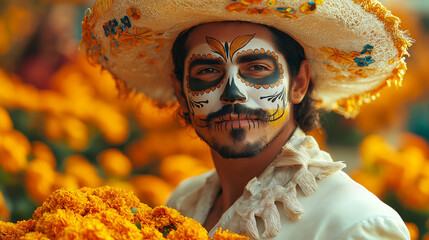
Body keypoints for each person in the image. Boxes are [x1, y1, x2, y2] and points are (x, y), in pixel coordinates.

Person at [81, 0, 412, 239]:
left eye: (257, 68)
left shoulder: (353, 224)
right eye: (208, 70)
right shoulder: (184, 200)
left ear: (298, 83)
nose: (232, 93)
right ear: (180, 91)